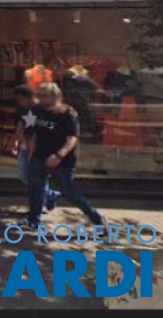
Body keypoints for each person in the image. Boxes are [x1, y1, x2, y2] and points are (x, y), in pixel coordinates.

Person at [22, 83, 106, 230]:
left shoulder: (67, 114)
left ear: (55, 96)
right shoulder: (36, 111)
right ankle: (33, 220)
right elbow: (30, 134)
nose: (40, 99)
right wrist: (30, 155)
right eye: (38, 95)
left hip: (62, 161)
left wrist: (59, 155)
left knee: (70, 194)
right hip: (39, 157)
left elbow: (72, 138)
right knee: (35, 190)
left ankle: (98, 220)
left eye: (44, 96)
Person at [8, 84, 59, 211]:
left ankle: (39, 207)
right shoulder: (24, 109)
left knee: (37, 178)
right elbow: (21, 124)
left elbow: (35, 135)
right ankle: (50, 194)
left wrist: (32, 155)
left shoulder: (41, 110)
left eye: (20, 99)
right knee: (24, 176)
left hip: (39, 149)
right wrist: (14, 141)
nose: (19, 102)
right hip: (26, 147)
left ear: (27, 97)